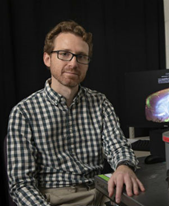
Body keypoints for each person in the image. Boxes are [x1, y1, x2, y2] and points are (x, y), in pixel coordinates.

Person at [6, 20, 145, 206]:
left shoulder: (100, 102)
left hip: (103, 192)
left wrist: (124, 166)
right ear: (47, 59)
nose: (73, 63)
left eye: (81, 56)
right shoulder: (23, 113)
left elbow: (117, 146)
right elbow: (21, 184)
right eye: (64, 54)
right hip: (55, 199)